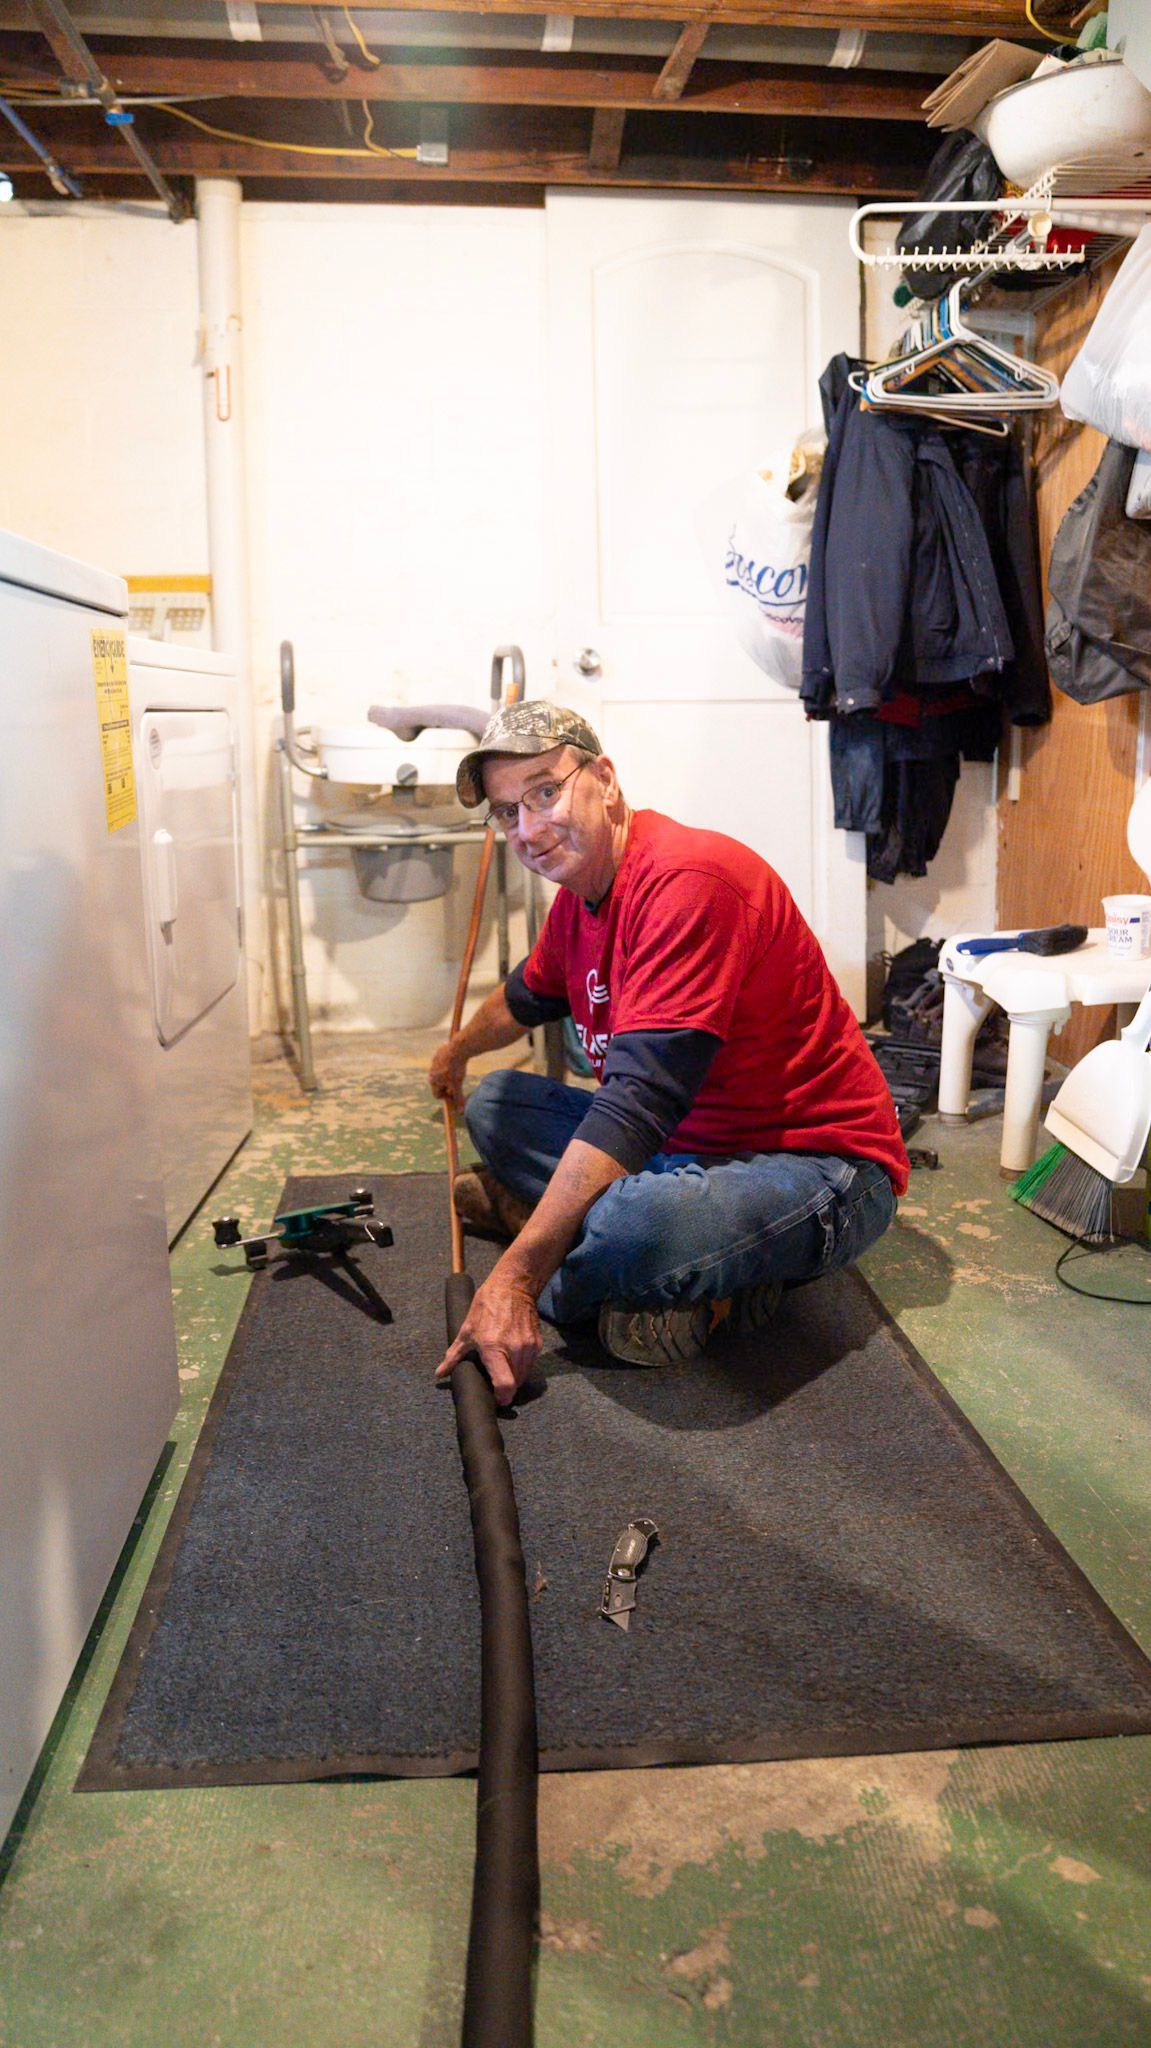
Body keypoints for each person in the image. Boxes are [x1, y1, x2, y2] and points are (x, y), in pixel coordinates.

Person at [430, 702, 908, 1406]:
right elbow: (526, 996)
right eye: (507, 813)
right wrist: (457, 1052)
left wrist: (515, 1280)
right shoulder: (580, 899)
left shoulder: (688, 880)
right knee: (498, 1105)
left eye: (544, 791)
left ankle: (604, 1262)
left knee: (637, 1225)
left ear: (604, 779)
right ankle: (692, 1274)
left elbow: (636, 1103)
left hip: (817, 1165)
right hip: (683, 1149)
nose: (528, 829)